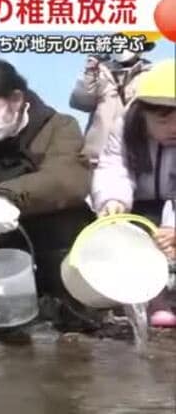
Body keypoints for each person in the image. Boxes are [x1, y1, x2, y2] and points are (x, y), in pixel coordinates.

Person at [0, 59, 95, 328]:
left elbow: (69, 179)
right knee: (6, 328)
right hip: (9, 250)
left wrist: (8, 195)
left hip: (62, 241)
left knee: (77, 325)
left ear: (16, 99)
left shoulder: (60, 127)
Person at [91, 59, 176, 327]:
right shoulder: (125, 127)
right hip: (139, 202)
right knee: (132, 233)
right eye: (163, 120)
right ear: (143, 114)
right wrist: (113, 200)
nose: (173, 129)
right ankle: (150, 298)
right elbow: (114, 166)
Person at [69, 40, 155, 165]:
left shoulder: (151, 74)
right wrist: (90, 71)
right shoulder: (101, 72)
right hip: (96, 158)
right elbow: (80, 102)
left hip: (135, 159)